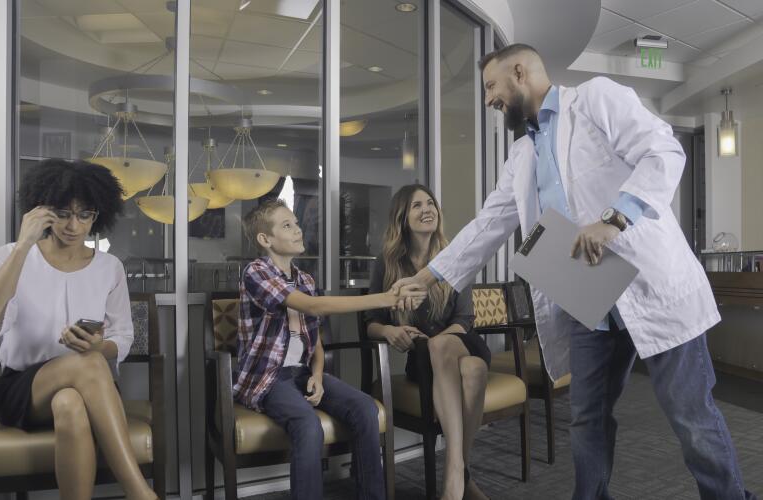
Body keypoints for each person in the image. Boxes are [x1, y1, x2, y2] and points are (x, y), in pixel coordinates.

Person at [392, 44, 756, 500]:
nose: (489, 100)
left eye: (491, 86)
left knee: (691, 419)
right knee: (586, 420)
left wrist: (614, 218)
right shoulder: (521, 155)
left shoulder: (596, 99)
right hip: (589, 303)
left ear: (519, 72)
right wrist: (427, 278)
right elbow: (489, 225)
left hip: (652, 290)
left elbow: (663, 151)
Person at [236, 198, 426, 500]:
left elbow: (316, 340)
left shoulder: (306, 279)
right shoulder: (255, 272)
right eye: (287, 225)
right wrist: (387, 298)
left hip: (302, 373)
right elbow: (313, 306)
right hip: (268, 379)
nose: (298, 230)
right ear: (265, 239)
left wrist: (319, 374)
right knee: (308, 425)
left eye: (296, 223)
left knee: (365, 408)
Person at [0, 159, 157, 500]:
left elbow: (123, 337)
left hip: (88, 389)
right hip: (25, 391)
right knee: (89, 364)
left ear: (97, 216)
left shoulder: (109, 268)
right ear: (43, 210)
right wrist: (23, 245)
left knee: (70, 400)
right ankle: (141, 494)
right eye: (63, 213)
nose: (73, 225)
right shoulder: (12, 256)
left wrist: (100, 346)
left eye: (84, 215)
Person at [365, 185, 490, 500]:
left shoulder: (454, 257)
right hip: (422, 360)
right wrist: (390, 332)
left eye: (431, 203)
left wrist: (437, 340)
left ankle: (452, 476)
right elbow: (371, 324)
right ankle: (464, 473)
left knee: (443, 347)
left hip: (463, 342)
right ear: (402, 218)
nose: (427, 209)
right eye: (417, 205)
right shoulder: (387, 263)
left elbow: (465, 321)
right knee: (473, 370)